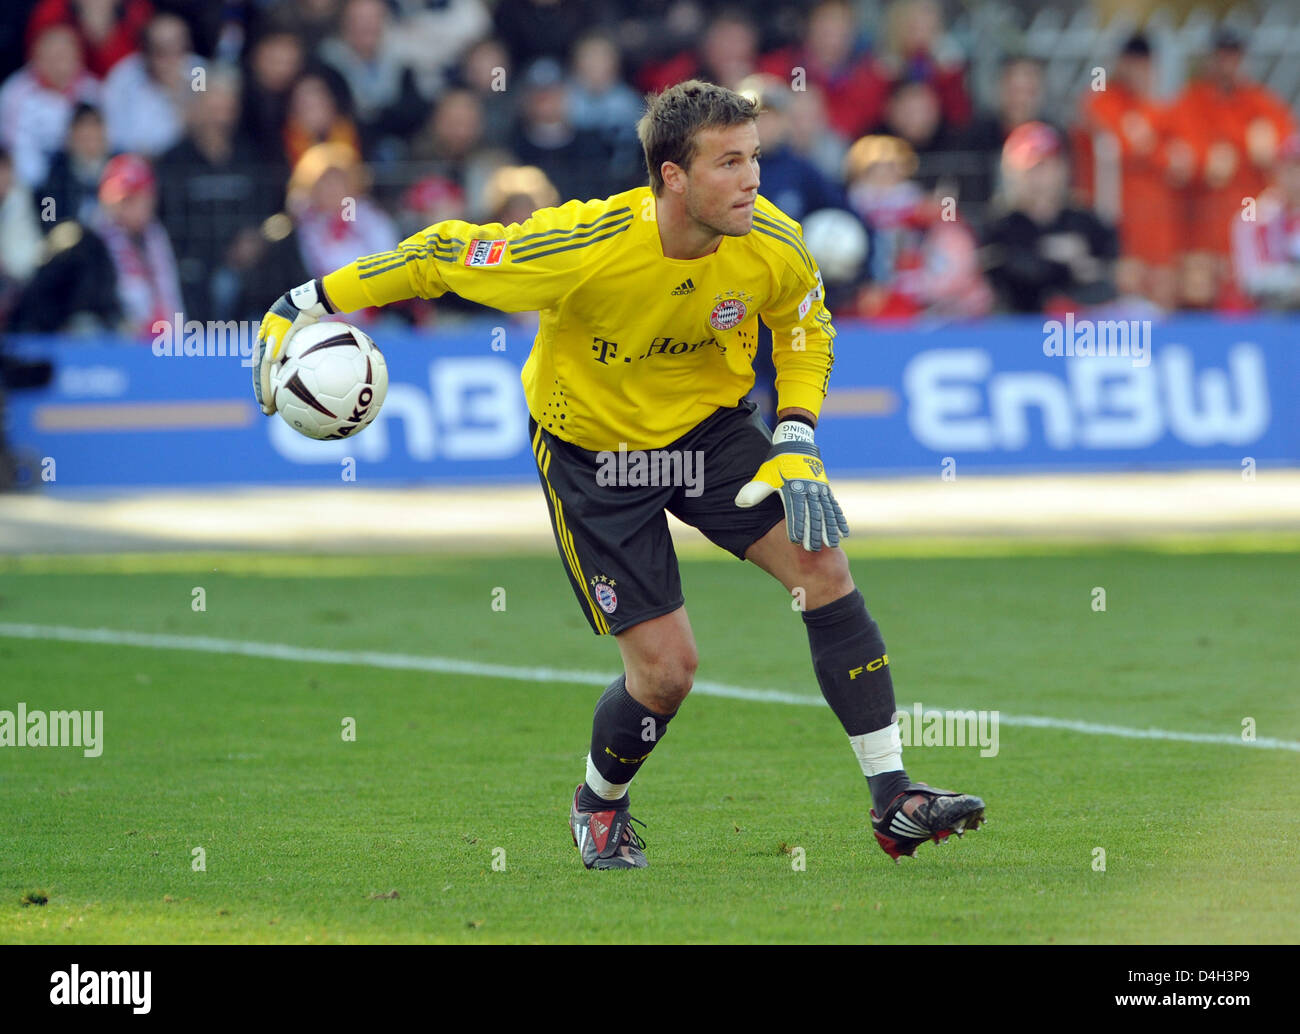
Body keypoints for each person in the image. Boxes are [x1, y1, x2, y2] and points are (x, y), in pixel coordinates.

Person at [251, 80, 986, 869]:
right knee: (669, 673)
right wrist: (307, 299)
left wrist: (798, 434)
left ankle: (893, 798)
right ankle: (598, 805)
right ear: (673, 176)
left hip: (709, 432)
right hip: (592, 454)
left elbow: (804, 325)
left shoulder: (771, 239)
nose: (752, 181)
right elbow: (437, 257)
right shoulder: (583, 246)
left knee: (825, 568)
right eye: (729, 162)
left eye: (756, 159)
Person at [982, 121, 1118, 314]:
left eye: (1048, 166)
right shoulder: (1000, 226)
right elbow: (1006, 274)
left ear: (1062, 168)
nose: (1042, 177)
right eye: (1033, 168)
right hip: (1020, 327)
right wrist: (1060, 262)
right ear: (1013, 174)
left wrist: (1084, 264)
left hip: (1080, 328)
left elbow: (1113, 271)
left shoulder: (1085, 220)